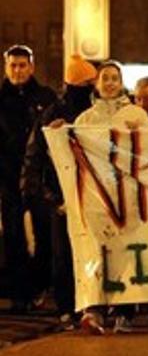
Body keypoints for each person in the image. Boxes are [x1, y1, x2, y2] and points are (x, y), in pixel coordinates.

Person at [75, 61, 148, 333]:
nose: (109, 83)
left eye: (114, 78)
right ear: (96, 84)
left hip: (127, 196)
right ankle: (93, 308)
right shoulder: (85, 119)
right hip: (96, 197)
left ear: (121, 83)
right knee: (95, 250)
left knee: (125, 252)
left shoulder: (137, 114)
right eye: (104, 78)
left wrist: (139, 133)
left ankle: (124, 311)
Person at [21, 55, 97, 326]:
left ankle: (87, 305)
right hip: (61, 195)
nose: (92, 86)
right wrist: (44, 194)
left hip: (90, 194)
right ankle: (67, 305)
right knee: (62, 253)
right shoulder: (53, 114)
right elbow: (36, 153)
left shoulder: (95, 112)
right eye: (87, 82)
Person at [0, 44, 58, 313]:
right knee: (13, 237)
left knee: (44, 235)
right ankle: (19, 292)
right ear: (6, 67)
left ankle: (40, 287)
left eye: (23, 65)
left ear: (31, 67)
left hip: (39, 178)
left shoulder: (46, 97)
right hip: (9, 178)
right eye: (13, 65)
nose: (18, 70)